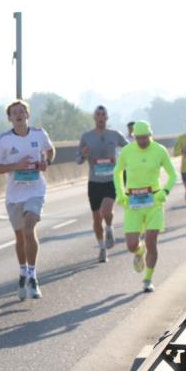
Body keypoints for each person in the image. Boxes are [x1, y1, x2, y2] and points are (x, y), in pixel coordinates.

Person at [0, 99, 56, 300]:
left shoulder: (39, 134)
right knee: (20, 237)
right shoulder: (4, 140)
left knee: (29, 229)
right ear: (9, 118)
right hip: (14, 194)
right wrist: (16, 166)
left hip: (36, 190)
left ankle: (33, 277)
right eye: (14, 112)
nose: (18, 115)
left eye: (22, 111)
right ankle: (22, 271)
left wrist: (46, 161)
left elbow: (50, 150)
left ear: (28, 115)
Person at [113, 120, 177, 293]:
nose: (142, 141)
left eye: (145, 138)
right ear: (134, 137)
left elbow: (172, 175)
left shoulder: (159, 150)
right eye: (138, 138)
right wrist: (120, 193)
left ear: (151, 135)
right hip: (133, 202)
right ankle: (139, 252)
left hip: (154, 202)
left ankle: (148, 279)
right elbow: (117, 172)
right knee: (131, 245)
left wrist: (165, 191)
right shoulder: (127, 151)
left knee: (151, 240)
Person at [77, 105, 127, 262]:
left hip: (111, 179)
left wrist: (127, 163)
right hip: (94, 181)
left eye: (103, 114)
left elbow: (129, 149)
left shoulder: (115, 135)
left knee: (106, 210)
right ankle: (102, 248)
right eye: (97, 114)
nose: (100, 117)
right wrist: (84, 155)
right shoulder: (86, 137)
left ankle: (110, 228)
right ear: (94, 117)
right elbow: (78, 160)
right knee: (96, 218)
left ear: (106, 118)